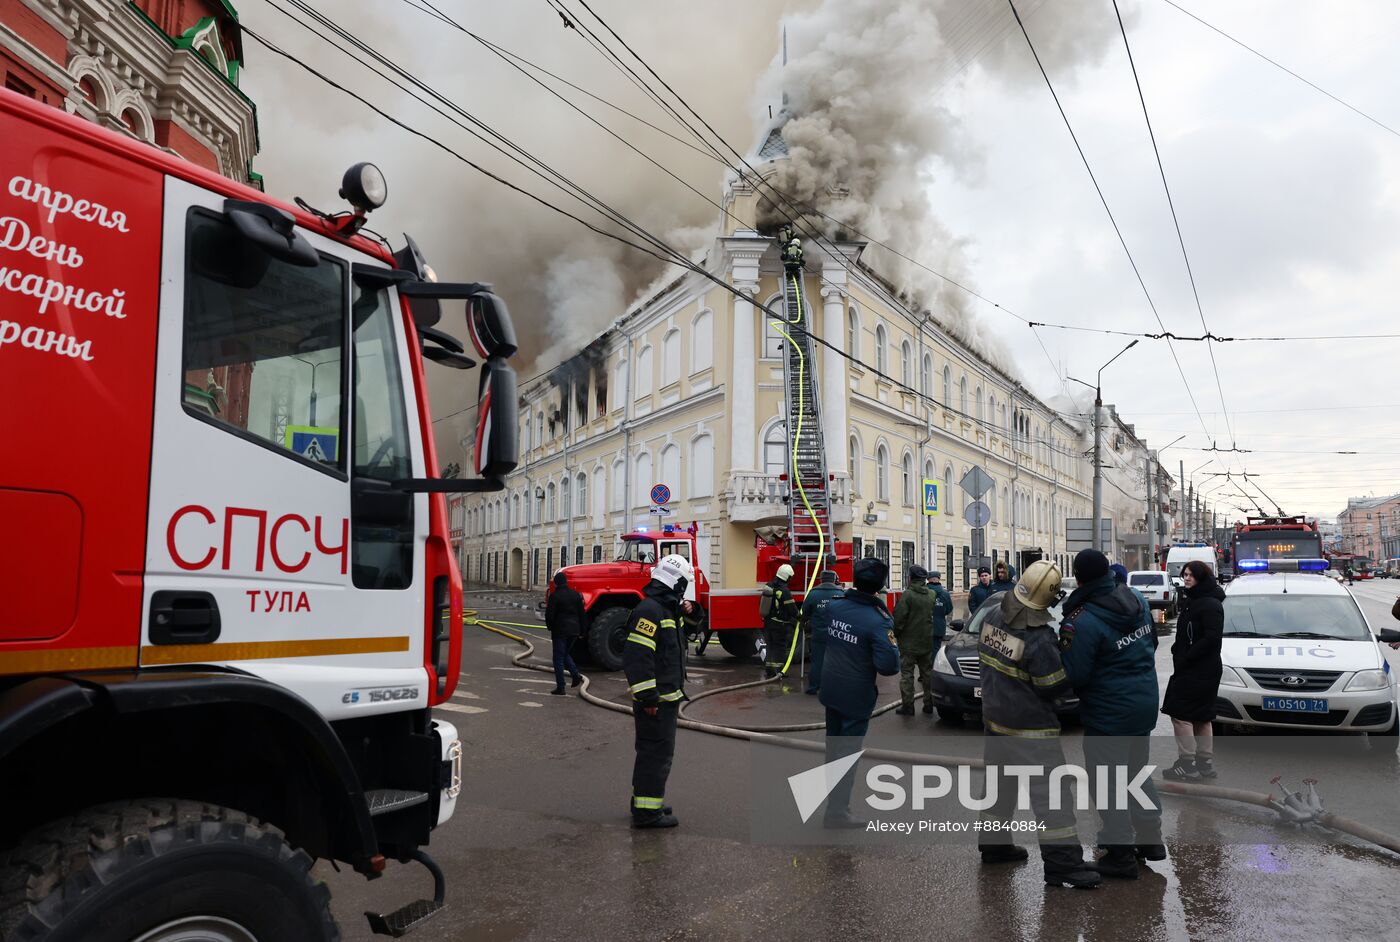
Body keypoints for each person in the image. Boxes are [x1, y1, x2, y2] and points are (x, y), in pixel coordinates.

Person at [976, 559, 1100, 889]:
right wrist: (1066, 653)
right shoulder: (1039, 639)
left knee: (998, 791)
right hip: (1031, 730)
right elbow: (1053, 685)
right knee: (1051, 798)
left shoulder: (992, 616)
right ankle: (1063, 866)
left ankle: (995, 847)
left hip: (995, 721)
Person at [1060, 549, 1165, 878]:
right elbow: (1153, 646)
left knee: (1108, 783)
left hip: (1109, 713)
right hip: (1143, 704)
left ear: (1078, 577)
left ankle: (1119, 854)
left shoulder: (1082, 620)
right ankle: (1150, 840)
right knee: (1137, 775)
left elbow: (1074, 674)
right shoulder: (1136, 600)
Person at [817, 557, 900, 828]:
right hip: (855, 697)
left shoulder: (836, 607)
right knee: (847, 754)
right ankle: (837, 813)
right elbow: (888, 667)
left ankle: (834, 806)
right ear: (880, 585)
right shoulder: (878, 621)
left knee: (833, 750)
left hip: (831, 689)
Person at [623, 554, 693, 829]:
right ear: (675, 584)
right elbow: (638, 658)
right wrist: (648, 697)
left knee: (655, 753)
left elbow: (679, 641)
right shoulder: (650, 611)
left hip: (665, 697)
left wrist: (692, 612)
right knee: (655, 755)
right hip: (657, 701)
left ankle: (647, 801)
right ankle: (647, 813)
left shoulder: (665, 609)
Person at [1160, 559, 1225, 782]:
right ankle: (1204, 763)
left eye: (1191, 575)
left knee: (1181, 714)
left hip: (1199, 668)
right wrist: (1179, 650)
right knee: (1201, 716)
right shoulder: (1195, 600)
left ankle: (1187, 763)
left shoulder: (1209, 604)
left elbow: (1212, 638)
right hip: (1197, 667)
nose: (1186, 578)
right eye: (1185, 574)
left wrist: (1187, 656)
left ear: (1201, 577)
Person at [892, 565, 938, 715]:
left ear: (910, 578)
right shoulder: (932, 594)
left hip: (908, 642)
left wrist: (896, 634)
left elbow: (899, 619)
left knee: (907, 674)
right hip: (926, 640)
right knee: (927, 673)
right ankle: (929, 704)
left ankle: (908, 706)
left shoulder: (907, 595)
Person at [801, 567, 844, 695]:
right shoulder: (841, 594)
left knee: (817, 661)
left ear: (821, 579)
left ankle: (813, 687)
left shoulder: (813, 594)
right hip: (836, 634)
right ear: (834, 580)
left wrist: (803, 623)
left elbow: (805, 613)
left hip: (818, 633)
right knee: (836, 661)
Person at [544, 571, 585, 695]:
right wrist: (582, 630)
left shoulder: (554, 596)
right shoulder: (576, 595)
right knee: (565, 653)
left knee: (558, 658)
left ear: (556, 583)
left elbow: (550, 615)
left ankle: (561, 686)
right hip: (574, 630)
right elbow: (582, 614)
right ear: (566, 582)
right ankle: (575, 675)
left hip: (560, 631)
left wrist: (550, 627)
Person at [761, 563, 800, 678]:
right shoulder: (784, 591)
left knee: (770, 646)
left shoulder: (768, 586)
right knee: (779, 647)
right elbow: (792, 610)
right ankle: (778, 671)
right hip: (779, 625)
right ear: (787, 577)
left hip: (768, 622)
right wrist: (800, 617)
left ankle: (769, 670)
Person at [927, 570, 953, 666]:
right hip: (939, 625)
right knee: (936, 649)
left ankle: (924, 674)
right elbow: (949, 609)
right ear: (939, 579)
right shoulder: (945, 594)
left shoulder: (924, 592)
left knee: (925, 650)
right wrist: (940, 613)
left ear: (928, 580)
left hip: (925, 625)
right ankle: (934, 670)